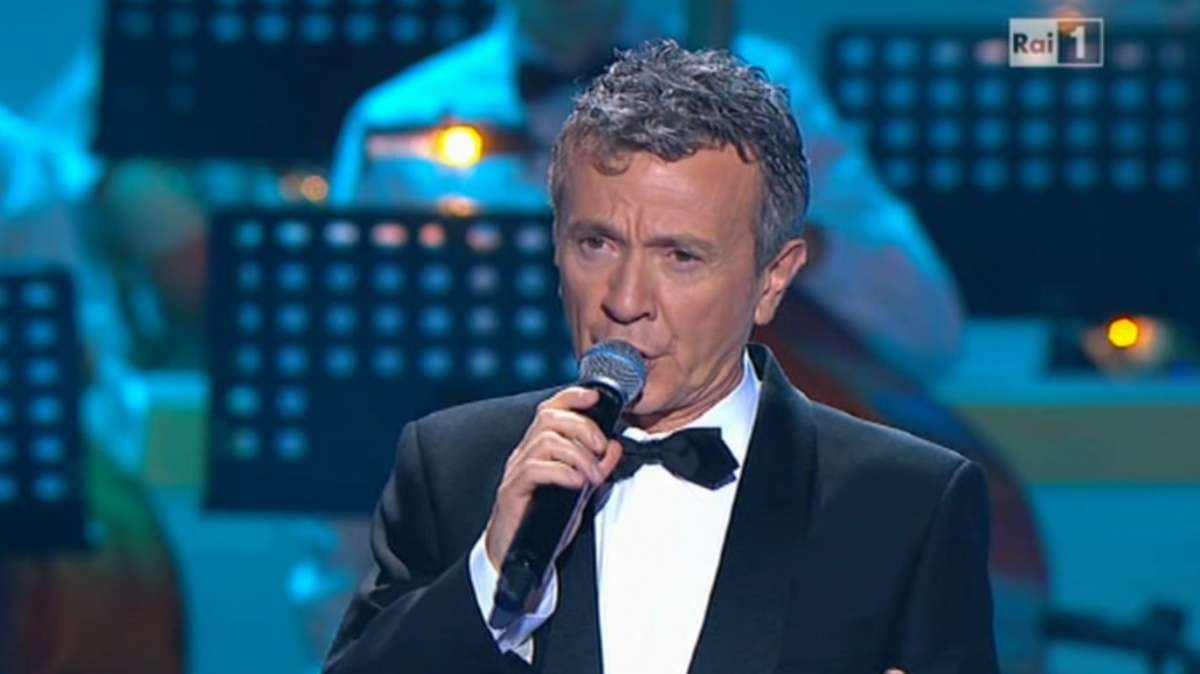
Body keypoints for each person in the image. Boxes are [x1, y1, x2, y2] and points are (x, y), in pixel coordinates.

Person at [323, 40, 997, 674]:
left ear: (772, 280)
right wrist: (491, 574)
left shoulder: (905, 504)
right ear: (556, 247)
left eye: (680, 257)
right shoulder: (452, 468)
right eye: (596, 244)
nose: (625, 300)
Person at [329, 0, 964, 382]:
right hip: (474, 486)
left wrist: (760, 226)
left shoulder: (761, 83)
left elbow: (928, 330)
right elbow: (343, 362)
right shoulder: (395, 120)